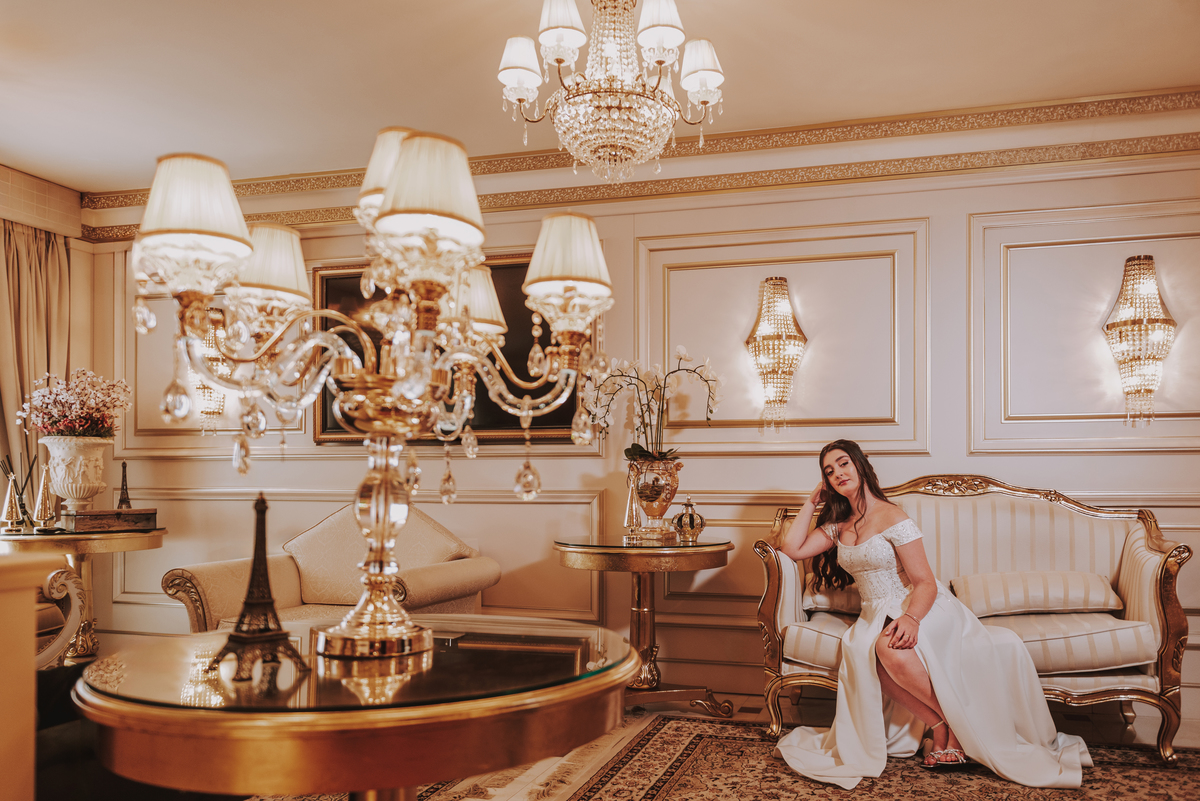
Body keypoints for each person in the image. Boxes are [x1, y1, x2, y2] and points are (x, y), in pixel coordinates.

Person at [772, 439, 1091, 789]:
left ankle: (952, 729)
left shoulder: (893, 516)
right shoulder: (839, 525)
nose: (838, 473)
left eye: (844, 463)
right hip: (873, 612)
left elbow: (924, 581)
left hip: (920, 604)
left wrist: (911, 619)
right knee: (869, 658)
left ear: (860, 465)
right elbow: (792, 549)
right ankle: (946, 726)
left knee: (889, 649)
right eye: (829, 471)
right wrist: (811, 502)